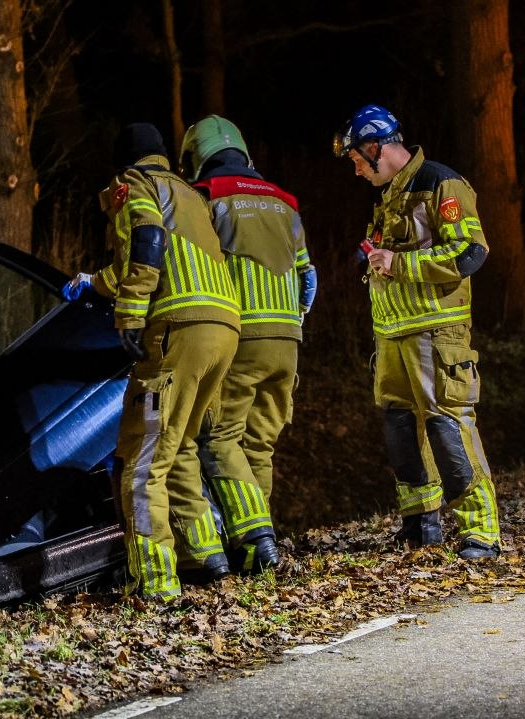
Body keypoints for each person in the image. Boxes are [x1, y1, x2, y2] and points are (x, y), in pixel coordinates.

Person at [62, 123, 241, 598]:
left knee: (141, 464)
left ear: (123, 162)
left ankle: (156, 582)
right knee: (179, 447)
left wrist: (129, 314)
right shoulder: (188, 194)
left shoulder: (134, 186)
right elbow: (154, 254)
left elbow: (146, 240)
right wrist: (97, 281)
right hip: (222, 327)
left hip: (176, 329)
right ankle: (206, 557)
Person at [332, 104, 501, 560]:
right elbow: (384, 248)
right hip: (392, 337)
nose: (355, 171)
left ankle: (481, 531)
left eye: (355, 160)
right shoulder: (390, 196)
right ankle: (421, 527)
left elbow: (471, 251)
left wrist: (400, 263)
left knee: (448, 427)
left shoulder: (440, 184)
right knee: (401, 430)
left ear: (375, 146)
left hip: (436, 334)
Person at [180, 115, 317, 574]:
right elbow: (308, 276)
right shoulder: (285, 202)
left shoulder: (206, 199)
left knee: (218, 439)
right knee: (258, 446)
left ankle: (257, 540)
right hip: (288, 340)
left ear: (195, 158)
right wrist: (293, 319)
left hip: (241, 337)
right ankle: (257, 550)